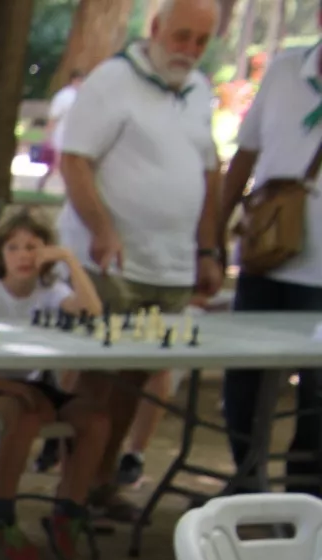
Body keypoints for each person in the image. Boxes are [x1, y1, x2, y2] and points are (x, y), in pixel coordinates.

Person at [59, 0, 222, 519]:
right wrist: (103, 230)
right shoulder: (113, 79)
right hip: (111, 265)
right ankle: (70, 495)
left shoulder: (200, 91)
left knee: (136, 383)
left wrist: (208, 250)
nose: (189, 49)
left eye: (201, 41)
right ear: (155, 27)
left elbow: (209, 173)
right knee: (98, 380)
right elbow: (74, 160)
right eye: (181, 36)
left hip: (170, 266)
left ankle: (102, 484)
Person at [0, 209, 109, 560]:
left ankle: (69, 511)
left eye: (32, 247)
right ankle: (3, 516)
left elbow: (92, 311)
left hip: (30, 386)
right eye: (13, 248)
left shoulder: (51, 292)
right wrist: (10, 387)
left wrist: (69, 259)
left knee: (96, 420)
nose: (23, 256)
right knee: (26, 414)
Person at [219, 23, 322, 494]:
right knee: (245, 376)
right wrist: (212, 238)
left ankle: (306, 497)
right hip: (267, 257)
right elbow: (245, 155)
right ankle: (248, 480)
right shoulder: (284, 71)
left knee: (316, 393)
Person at [36, 70, 84, 194]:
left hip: (76, 135)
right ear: (74, 80)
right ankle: (64, 188)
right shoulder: (64, 96)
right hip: (62, 135)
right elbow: (54, 116)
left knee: (65, 164)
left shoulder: (83, 96)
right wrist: (48, 134)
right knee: (59, 163)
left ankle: (66, 188)